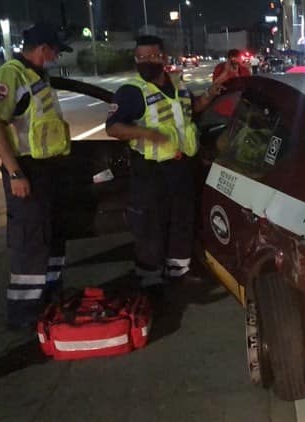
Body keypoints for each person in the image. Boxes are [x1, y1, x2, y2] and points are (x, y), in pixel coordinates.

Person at [106, 35, 227, 296]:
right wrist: (146, 134)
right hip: (151, 172)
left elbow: (191, 110)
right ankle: (150, 282)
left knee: (182, 221)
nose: (145, 61)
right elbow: (113, 128)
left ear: (163, 57)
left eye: (151, 56)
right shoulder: (131, 91)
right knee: (152, 226)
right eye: (140, 57)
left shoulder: (178, 86)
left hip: (183, 168)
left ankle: (179, 274)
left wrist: (211, 92)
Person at [0, 23, 73, 329]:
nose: (56, 57)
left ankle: (49, 299)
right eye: (56, 51)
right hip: (26, 170)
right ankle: (24, 314)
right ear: (43, 48)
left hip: (48, 172)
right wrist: (15, 173)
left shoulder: (38, 76)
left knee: (51, 237)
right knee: (30, 242)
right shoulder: (12, 75)